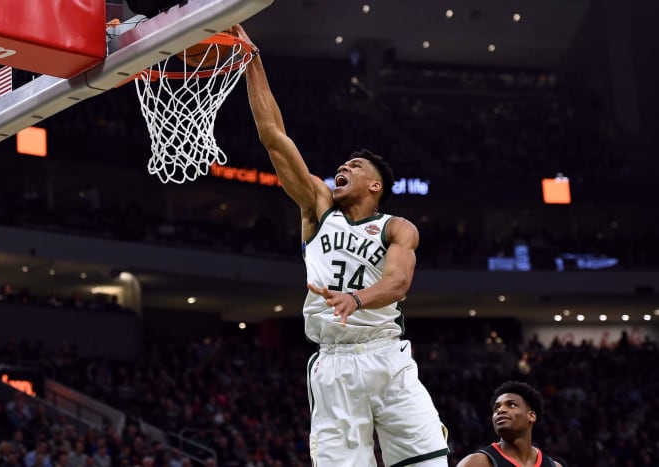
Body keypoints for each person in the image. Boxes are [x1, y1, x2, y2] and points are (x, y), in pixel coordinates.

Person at [235, 24, 448, 467]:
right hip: (333, 362)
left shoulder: (397, 227)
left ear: (375, 184)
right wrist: (250, 58)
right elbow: (274, 135)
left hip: (386, 354)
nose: (342, 166)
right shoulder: (317, 207)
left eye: (355, 165)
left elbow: (398, 283)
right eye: (342, 163)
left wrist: (356, 298)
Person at [456, 381, 562, 467]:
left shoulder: (553, 465)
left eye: (511, 405)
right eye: (497, 408)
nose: (500, 410)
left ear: (531, 416)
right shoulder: (477, 463)